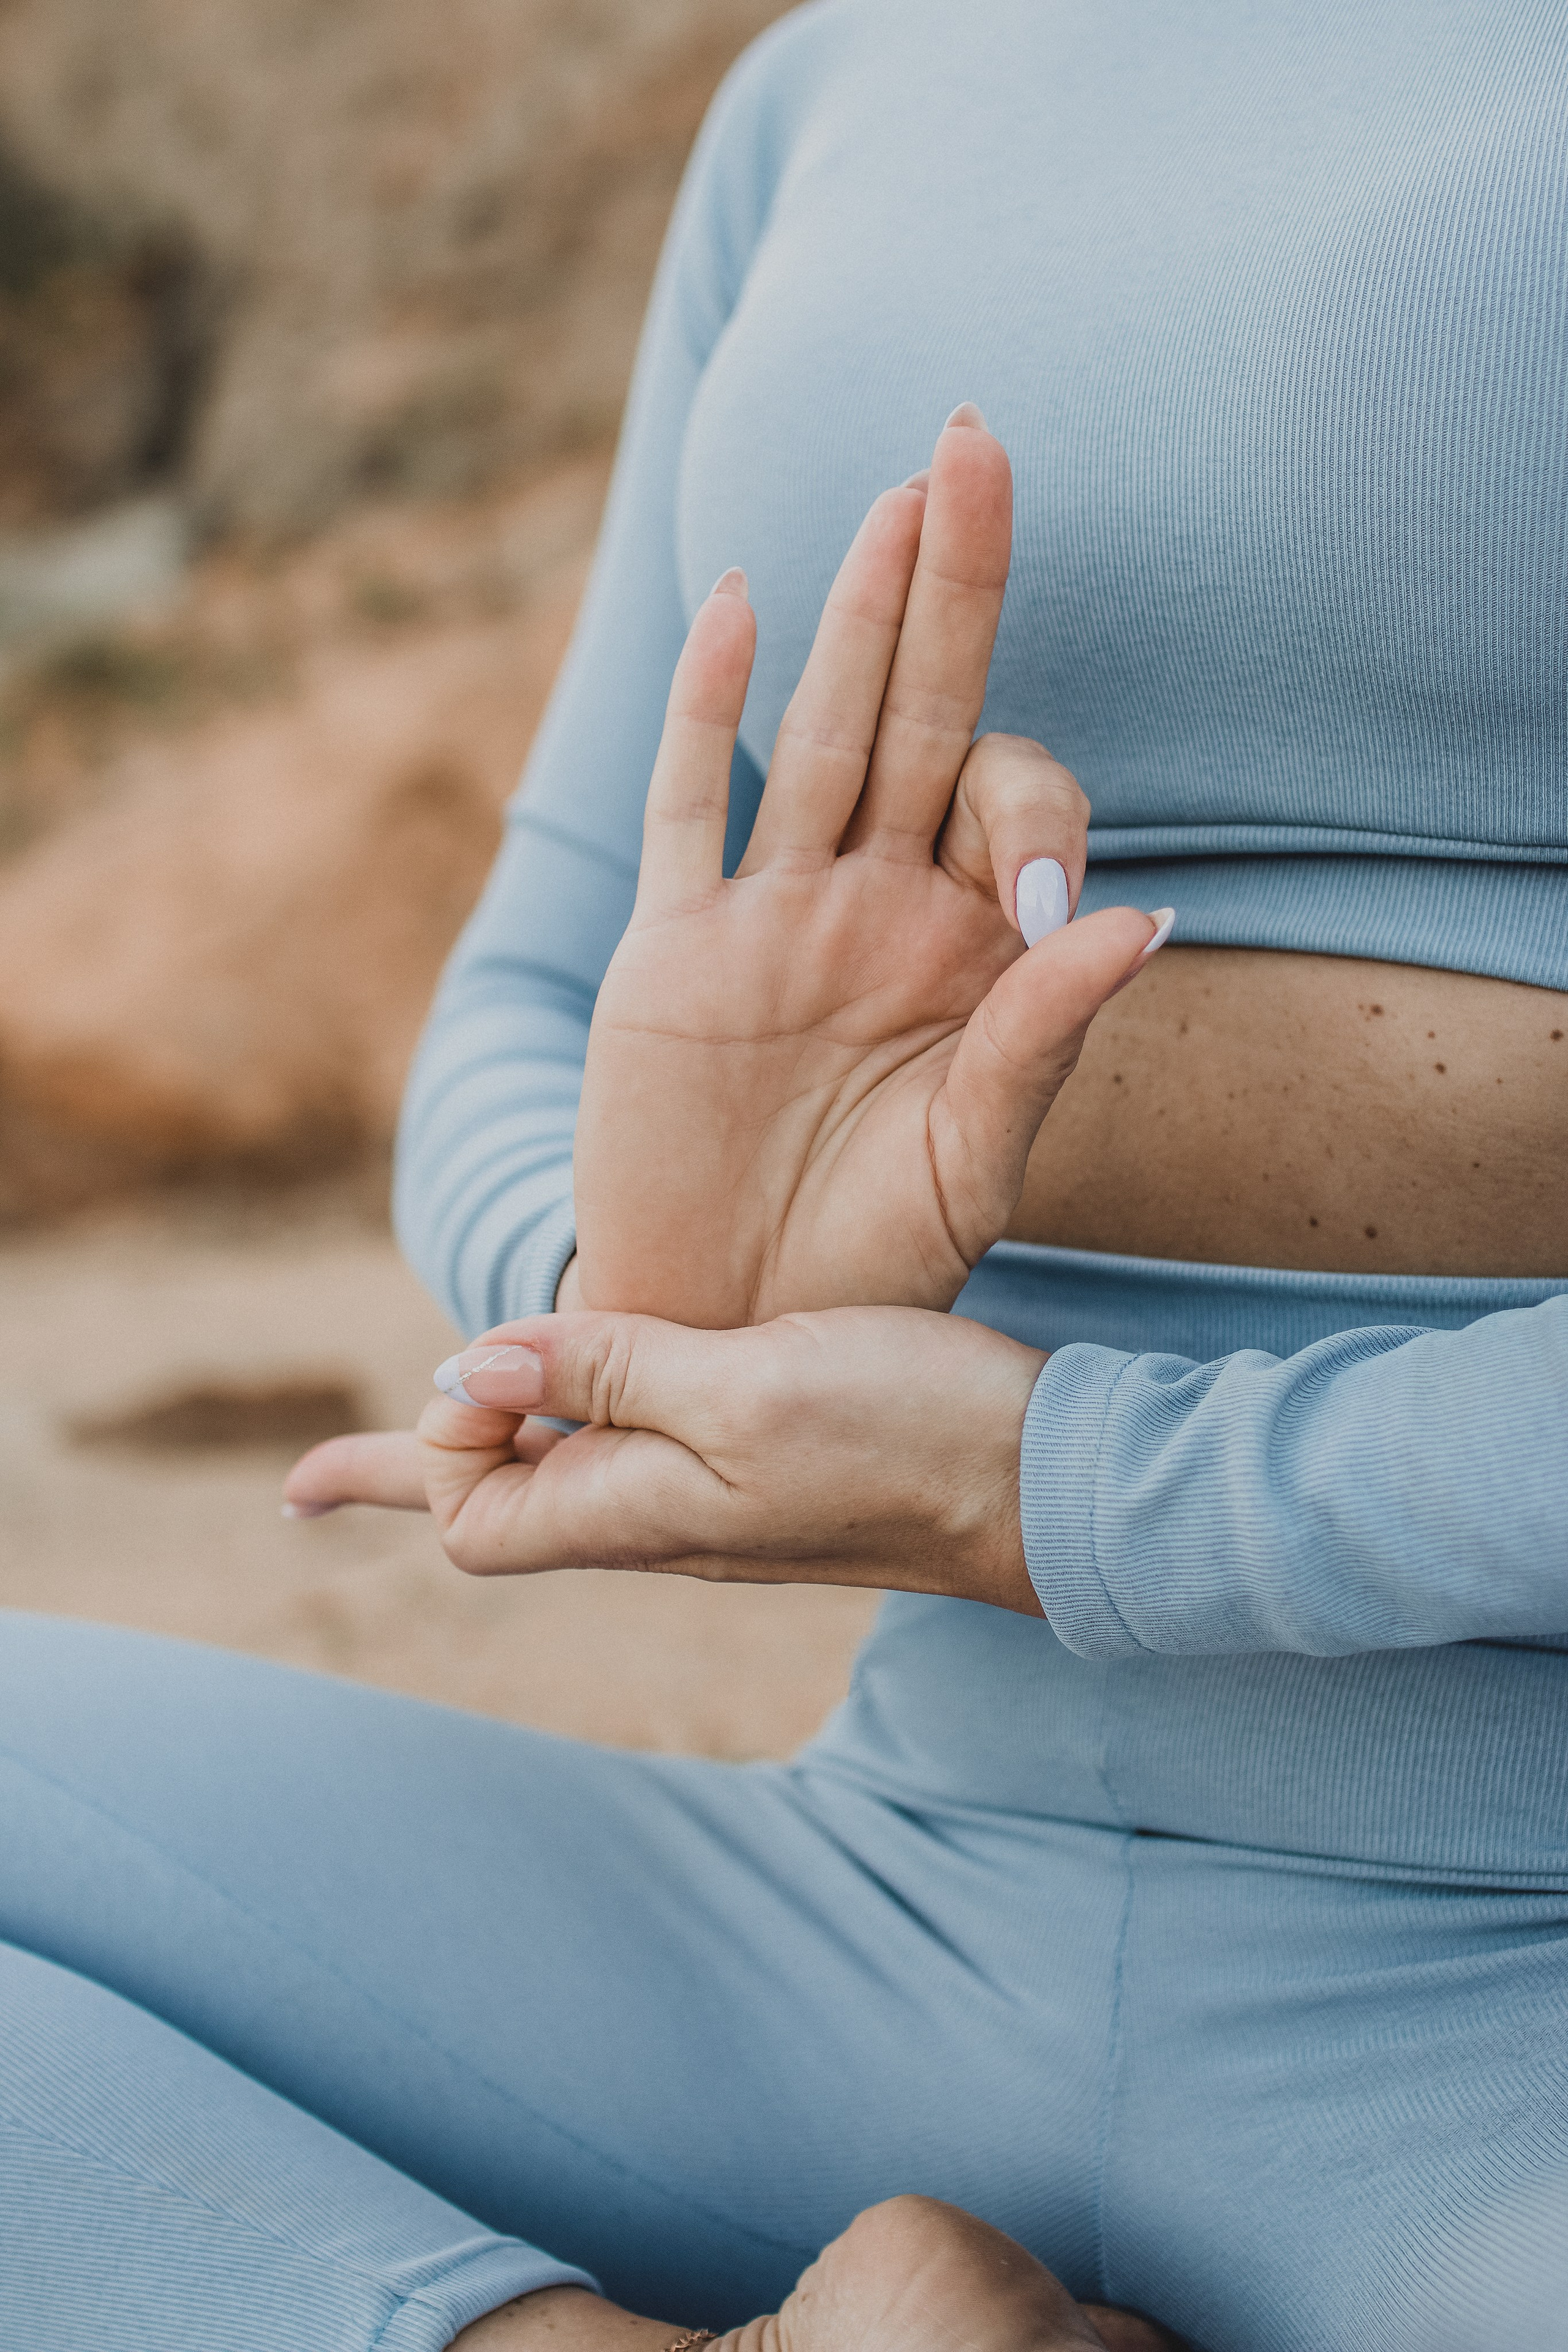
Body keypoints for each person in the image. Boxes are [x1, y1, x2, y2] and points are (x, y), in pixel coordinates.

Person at [4, 3, 1566, 2345]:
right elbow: (540, 986)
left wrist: (1066, 1484)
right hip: (884, 1897)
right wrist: (642, 1296)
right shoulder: (833, 84)